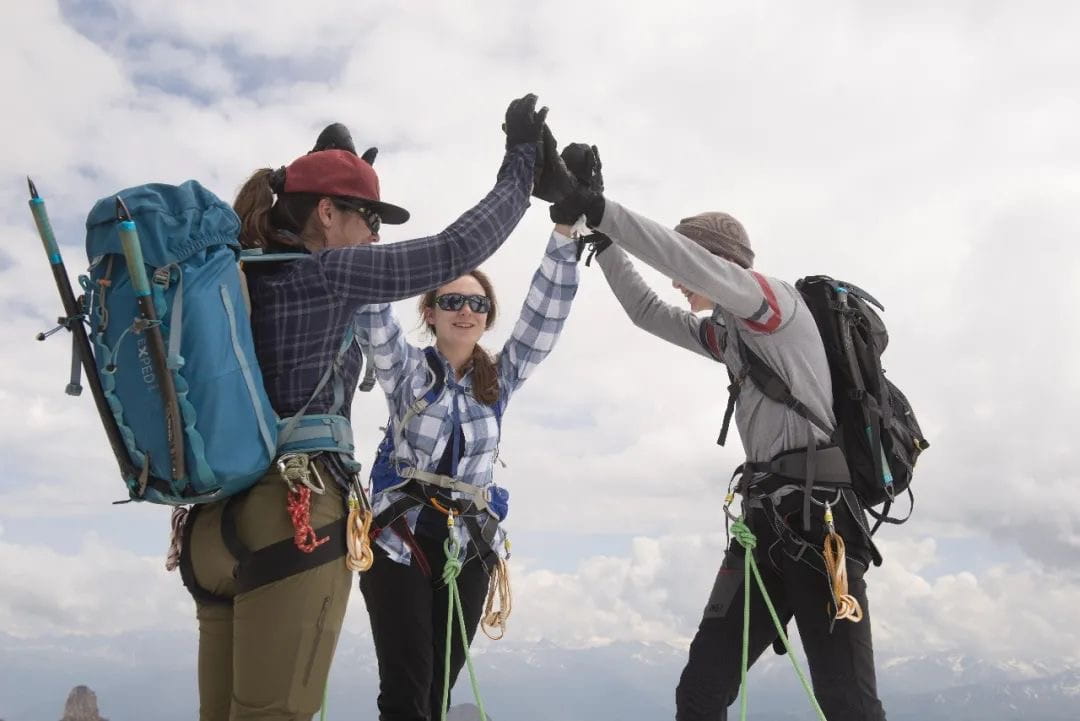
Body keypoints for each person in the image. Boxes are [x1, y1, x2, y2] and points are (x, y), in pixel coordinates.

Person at [178, 93, 564, 721]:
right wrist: (522, 163)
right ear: (326, 213)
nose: (376, 235)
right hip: (291, 516)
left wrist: (333, 161)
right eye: (368, 216)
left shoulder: (243, 272)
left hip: (211, 523)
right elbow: (453, 248)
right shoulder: (330, 276)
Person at [551, 146, 887, 721]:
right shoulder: (733, 335)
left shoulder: (771, 303)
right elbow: (648, 314)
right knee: (701, 692)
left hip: (819, 524)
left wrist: (599, 207)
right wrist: (603, 243)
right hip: (766, 527)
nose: (679, 284)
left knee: (848, 703)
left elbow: (682, 262)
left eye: (687, 271)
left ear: (717, 264)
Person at [353, 217, 581, 721]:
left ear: (487, 316)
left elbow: (543, 322)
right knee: (406, 686)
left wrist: (564, 236)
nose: (465, 311)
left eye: (477, 303)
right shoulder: (407, 369)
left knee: (437, 689)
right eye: (452, 301)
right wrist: (364, 241)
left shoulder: (497, 379)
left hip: (470, 548)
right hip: (399, 541)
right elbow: (372, 315)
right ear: (429, 313)